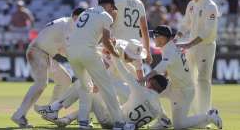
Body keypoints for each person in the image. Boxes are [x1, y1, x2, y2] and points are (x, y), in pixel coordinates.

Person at [35, 40, 171, 129]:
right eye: (132, 57)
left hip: (114, 114)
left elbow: (126, 75)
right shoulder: (157, 107)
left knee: (86, 86)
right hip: (123, 107)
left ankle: (57, 108)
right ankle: (67, 118)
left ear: (152, 83)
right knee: (95, 93)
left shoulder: (137, 78)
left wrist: (114, 57)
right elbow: (163, 120)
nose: (135, 60)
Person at [11, 7, 86, 128]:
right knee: (41, 83)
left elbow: (62, 50)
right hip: (37, 51)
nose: (84, 22)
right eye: (82, 18)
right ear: (76, 17)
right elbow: (69, 52)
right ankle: (19, 115)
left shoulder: (67, 25)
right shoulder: (69, 26)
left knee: (65, 79)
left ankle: (50, 110)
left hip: (46, 55)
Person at [63, 0, 125, 129]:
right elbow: (106, 41)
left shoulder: (86, 12)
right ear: (109, 5)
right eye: (112, 8)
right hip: (87, 52)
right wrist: (116, 54)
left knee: (86, 88)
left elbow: (84, 35)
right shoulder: (106, 16)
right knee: (107, 88)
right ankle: (119, 122)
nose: (112, 11)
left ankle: (83, 123)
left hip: (71, 52)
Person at [145, 25, 222, 129]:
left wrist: (145, 78)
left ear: (163, 38)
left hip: (184, 91)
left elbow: (162, 66)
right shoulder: (170, 46)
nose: (153, 38)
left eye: (155, 35)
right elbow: (172, 65)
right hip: (175, 86)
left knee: (179, 125)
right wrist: (166, 76)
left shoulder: (169, 50)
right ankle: (163, 120)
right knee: (150, 93)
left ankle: (209, 116)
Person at [175, 0, 219, 118]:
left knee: (203, 80)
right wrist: (176, 38)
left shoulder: (210, 6)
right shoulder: (191, 4)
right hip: (191, 47)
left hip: (205, 47)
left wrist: (188, 44)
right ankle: (193, 114)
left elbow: (207, 31)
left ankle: (204, 115)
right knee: (189, 80)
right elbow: (185, 24)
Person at [110, 0, 153, 81]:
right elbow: (144, 29)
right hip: (134, 47)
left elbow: (106, 23)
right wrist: (148, 52)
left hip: (117, 44)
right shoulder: (139, 3)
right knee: (137, 79)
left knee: (111, 79)